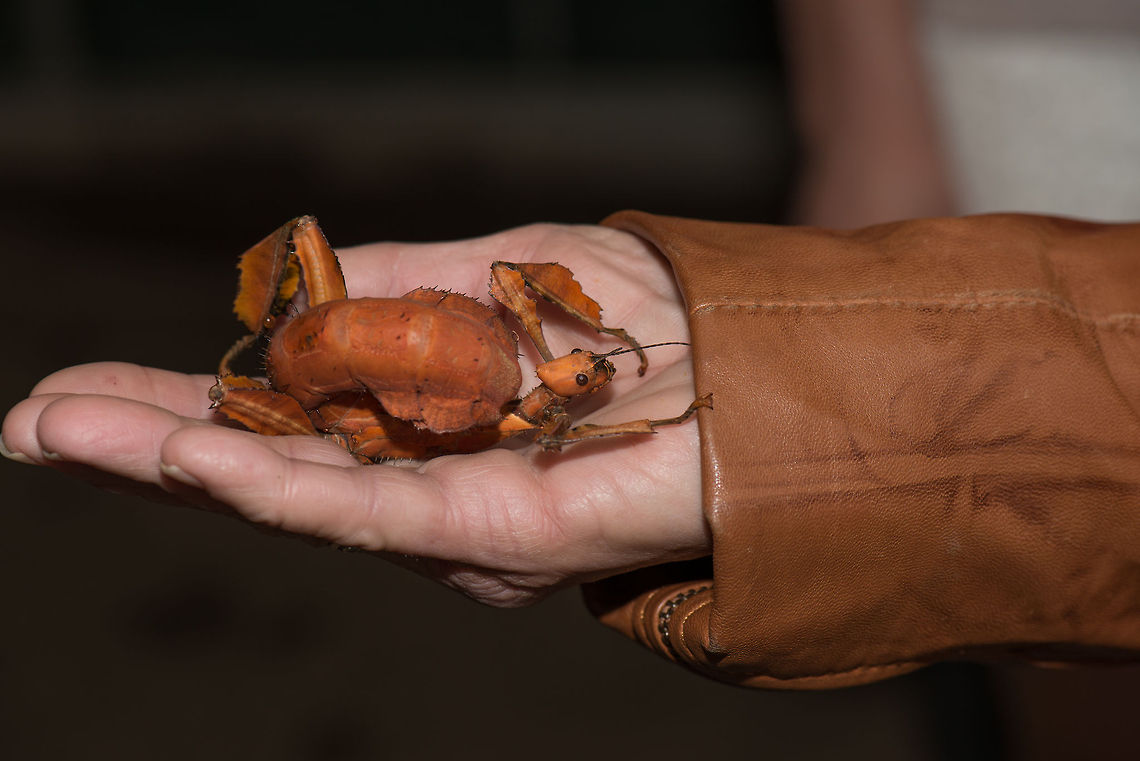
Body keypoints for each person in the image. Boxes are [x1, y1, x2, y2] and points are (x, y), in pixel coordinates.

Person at [4, 208, 1139, 688]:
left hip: (353, 360)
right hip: (382, 360)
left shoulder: (467, 387)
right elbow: (517, 328)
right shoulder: (516, 363)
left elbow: (432, 384)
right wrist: (624, 353)